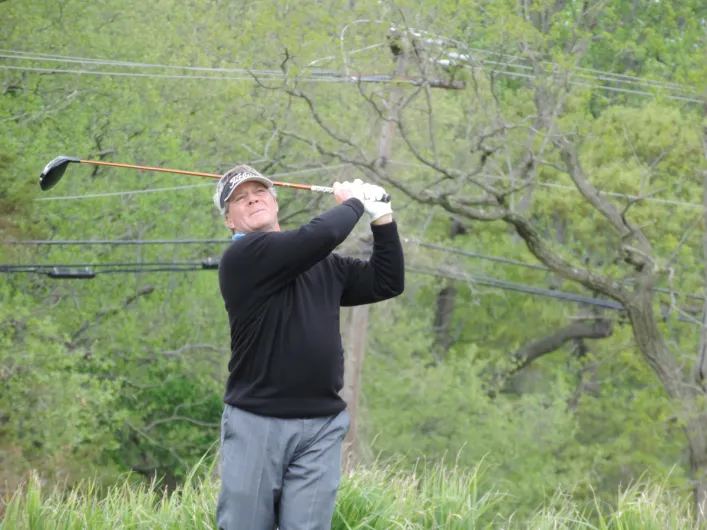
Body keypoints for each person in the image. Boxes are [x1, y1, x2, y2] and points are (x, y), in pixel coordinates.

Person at [212, 164, 405, 530]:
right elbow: (321, 234)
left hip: (320, 425)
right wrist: (352, 204)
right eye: (239, 198)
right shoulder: (241, 259)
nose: (252, 198)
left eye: (259, 191)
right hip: (257, 421)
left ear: (275, 201)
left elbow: (387, 281)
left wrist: (382, 219)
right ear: (230, 222)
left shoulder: (325, 266)